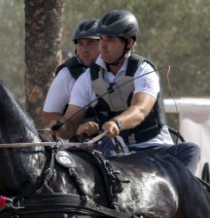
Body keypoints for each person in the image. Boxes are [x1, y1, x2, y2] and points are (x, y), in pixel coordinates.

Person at [55, 9, 200, 173]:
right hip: (116, 149)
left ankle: (185, 193)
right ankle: (115, 194)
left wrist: (117, 122)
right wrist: (77, 129)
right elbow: (69, 120)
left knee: (191, 150)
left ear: (129, 43)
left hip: (155, 148)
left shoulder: (143, 70)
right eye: (101, 38)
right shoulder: (87, 78)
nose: (102, 45)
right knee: (110, 142)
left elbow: (140, 109)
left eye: (110, 39)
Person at [41, 18, 101, 127]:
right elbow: (48, 116)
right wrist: (77, 129)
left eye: (90, 43)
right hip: (78, 142)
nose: (84, 50)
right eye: (80, 44)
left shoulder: (115, 70)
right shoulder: (67, 74)